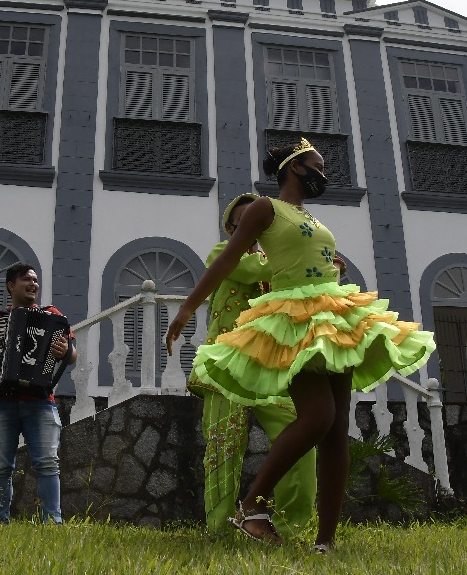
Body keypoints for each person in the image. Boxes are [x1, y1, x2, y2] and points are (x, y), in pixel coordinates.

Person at [165, 138, 435, 551]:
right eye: (316, 164)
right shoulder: (264, 209)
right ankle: (251, 506)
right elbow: (227, 260)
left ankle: (325, 540)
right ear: (294, 167)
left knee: (335, 428)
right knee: (318, 416)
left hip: (333, 314)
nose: (322, 173)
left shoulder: (308, 216)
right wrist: (186, 309)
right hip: (295, 320)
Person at [188, 193, 316, 537]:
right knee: (223, 447)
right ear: (232, 228)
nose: (257, 226)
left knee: (300, 435)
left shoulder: (274, 261)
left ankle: (293, 527)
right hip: (224, 365)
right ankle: (220, 528)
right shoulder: (222, 254)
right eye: (245, 220)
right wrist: (302, 261)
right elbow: (255, 269)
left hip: (267, 367)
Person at [0, 262, 76, 524]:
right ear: (11, 285)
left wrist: (64, 352)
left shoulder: (52, 315)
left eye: (35, 280)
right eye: (27, 279)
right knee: (0, 467)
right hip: (1, 402)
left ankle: (52, 522)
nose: (33, 284)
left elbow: (72, 354)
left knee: (47, 463)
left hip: (40, 401)